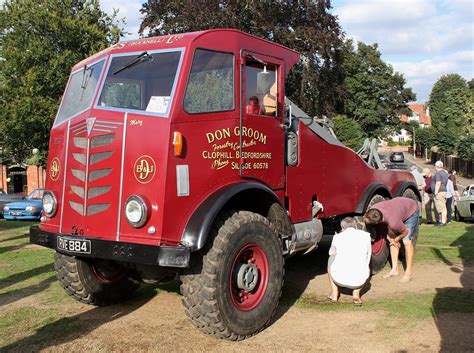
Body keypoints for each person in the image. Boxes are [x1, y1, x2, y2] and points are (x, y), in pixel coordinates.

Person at [364, 197, 419, 283]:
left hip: (411, 209)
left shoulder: (393, 222)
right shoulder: (373, 209)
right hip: (397, 208)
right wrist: (390, 237)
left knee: (406, 241)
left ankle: (408, 273)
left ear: (377, 223)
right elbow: (389, 221)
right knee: (391, 237)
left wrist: (396, 239)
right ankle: (394, 270)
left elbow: (405, 231)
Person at [327, 217, 371, 306]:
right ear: (355, 226)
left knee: (331, 259)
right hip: (360, 280)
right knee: (366, 262)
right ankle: (356, 293)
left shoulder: (337, 237)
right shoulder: (366, 236)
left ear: (342, 227)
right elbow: (368, 253)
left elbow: (331, 252)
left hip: (338, 278)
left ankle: (334, 294)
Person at [432, 161, 449, 226]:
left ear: (436, 166)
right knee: (440, 207)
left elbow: (438, 183)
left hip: (439, 192)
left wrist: (436, 193)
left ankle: (443, 222)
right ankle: (440, 221)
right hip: (443, 191)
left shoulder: (438, 174)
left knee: (442, 207)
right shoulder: (445, 173)